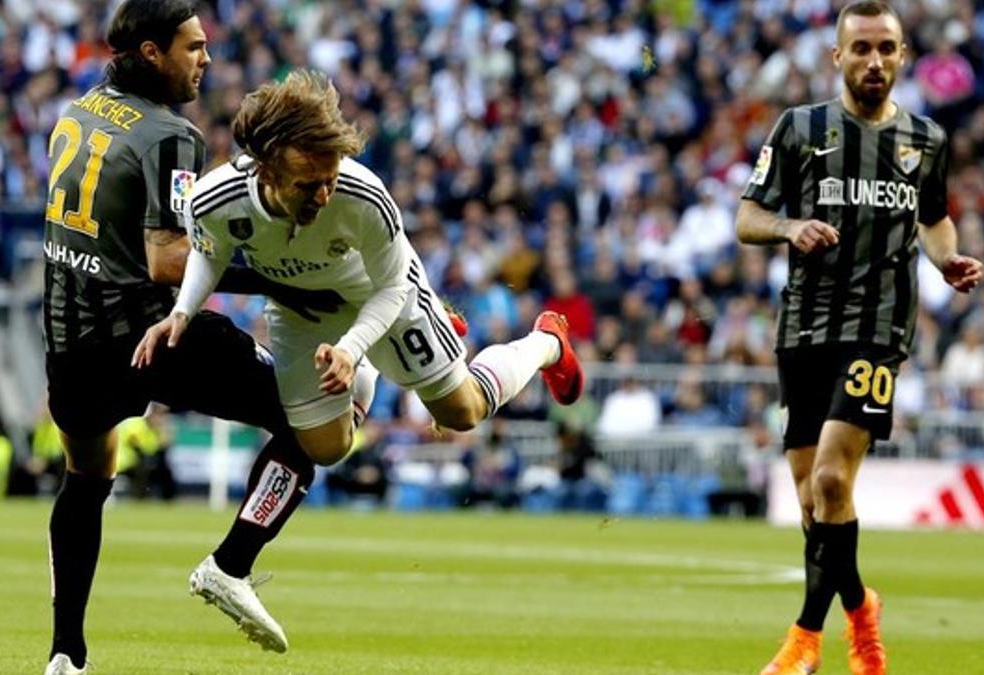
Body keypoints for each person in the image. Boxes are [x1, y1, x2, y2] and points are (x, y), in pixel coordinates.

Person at [40, 3, 365, 672]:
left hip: (69, 340)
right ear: (152, 52)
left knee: (86, 478)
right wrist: (284, 281)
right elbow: (166, 259)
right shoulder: (170, 135)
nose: (206, 59)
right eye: (192, 46)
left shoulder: (75, 115)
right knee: (308, 425)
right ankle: (230, 562)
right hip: (149, 336)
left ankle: (66, 654)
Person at [134, 71, 582, 510]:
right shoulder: (214, 199)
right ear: (267, 170)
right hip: (300, 308)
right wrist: (184, 311)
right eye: (308, 185)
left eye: (329, 180)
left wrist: (350, 348)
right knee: (325, 449)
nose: (324, 195)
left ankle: (545, 343)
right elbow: (209, 252)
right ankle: (369, 367)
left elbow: (391, 285)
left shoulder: (365, 195)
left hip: (379, 296)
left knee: (461, 412)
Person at [735, 3, 984, 673]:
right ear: (836, 58)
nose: (874, 60)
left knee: (830, 476)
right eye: (862, 48)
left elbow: (934, 219)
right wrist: (790, 229)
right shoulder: (799, 129)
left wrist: (946, 258)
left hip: (878, 326)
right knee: (817, 503)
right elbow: (748, 215)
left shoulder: (926, 139)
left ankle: (805, 639)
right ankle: (861, 609)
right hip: (804, 324)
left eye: (886, 49)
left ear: (903, 57)